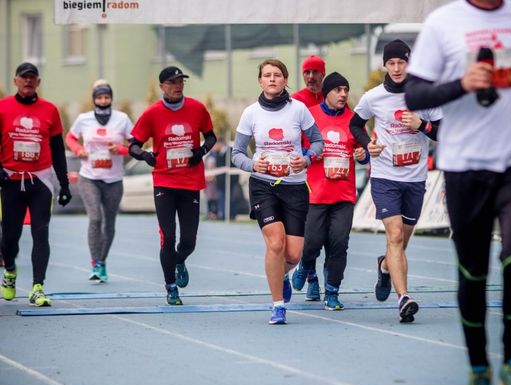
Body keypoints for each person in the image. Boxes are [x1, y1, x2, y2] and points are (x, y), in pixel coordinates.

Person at [404, 0, 511, 385]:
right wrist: (462, 84)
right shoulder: (442, 23)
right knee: (473, 271)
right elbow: (414, 95)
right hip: (464, 165)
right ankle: (479, 370)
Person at [349, 40, 442, 323]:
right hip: (384, 177)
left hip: (415, 179)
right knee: (396, 236)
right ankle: (404, 298)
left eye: (402, 62)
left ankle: (385, 266)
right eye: (391, 63)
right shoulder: (373, 97)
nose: (397, 68)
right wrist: (368, 144)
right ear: (385, 66)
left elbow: (444, 132)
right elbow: (355, 124)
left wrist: (421, 125)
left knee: (402, 242)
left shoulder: (425, 96)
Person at [232, 59, 324, 325]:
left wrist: (306, 159)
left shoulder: (299, 110)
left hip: (295, 186)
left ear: (285, 80)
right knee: (275, 243)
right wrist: (253, 165)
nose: (272, 79)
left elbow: (318, 142)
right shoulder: (251, 113)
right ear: (260, 81)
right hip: (263, 185)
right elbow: (236, 153)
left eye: (277, 75)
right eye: (267, 75)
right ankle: (278, 305)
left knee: (293, 254)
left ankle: (280, 274)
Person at [129, 66, 216, 305]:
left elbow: (211, 136)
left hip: (190, 182)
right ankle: (170, 286)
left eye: (181, 81)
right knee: (167, 237)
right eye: (172, 82)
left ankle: (179, 260)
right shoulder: (152, 113)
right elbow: (133, 145)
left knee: (189, 241)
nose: (178, 86)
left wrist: (201, 151)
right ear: (162, 87)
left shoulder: (197, 108)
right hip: (164, 182)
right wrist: (145, 156)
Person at [292, 72, 369, 309]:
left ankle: (333, 292)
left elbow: (367, 151)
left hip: (344, 195)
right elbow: (296, 147)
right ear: (327, 93)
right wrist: (311, 154)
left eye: (346, 90)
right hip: (315, 193)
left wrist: (362, 154)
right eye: (338, 90)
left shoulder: (353, 120)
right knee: (312, 243)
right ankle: (305, 264)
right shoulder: (310, 116)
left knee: (339, 243)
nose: (343, 94)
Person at [0, 62, 72, 306]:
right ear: (16, 81)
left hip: (40, 180)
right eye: (24, 77)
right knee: (10, 238)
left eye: (32, 77)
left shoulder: (49, 110)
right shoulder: (3, 107)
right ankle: (10, 270)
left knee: (41, 232)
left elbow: (58, 150)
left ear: (38, 82)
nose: (28, 81)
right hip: (11, 179)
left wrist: (64, 184)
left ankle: (37, 287)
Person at [66, 80, 133, 282]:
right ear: (94, 99)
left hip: (114, 179)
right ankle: (95, 262)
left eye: (106, 97)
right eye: (99, 97)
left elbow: (136, 145)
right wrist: (78, 149)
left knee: (109, 222)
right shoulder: (84, 119)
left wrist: (120, 150)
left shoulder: (122, 119)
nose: (103, 101)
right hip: (89, 177)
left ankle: (102, 261)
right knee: (95, 218)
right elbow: (70, 138)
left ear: (111, 98)